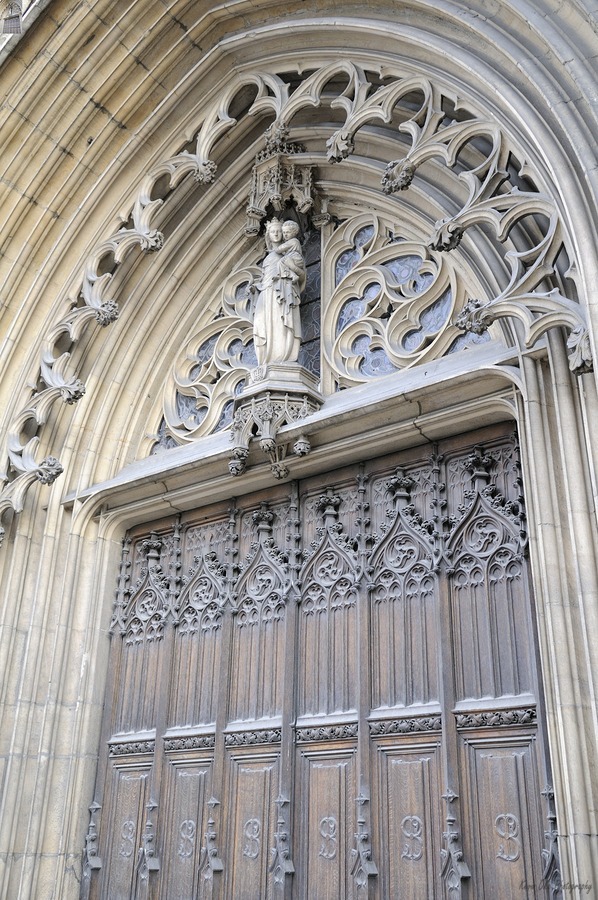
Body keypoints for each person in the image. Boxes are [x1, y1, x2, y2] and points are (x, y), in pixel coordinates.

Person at [252, 219, 306, 365]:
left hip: (281, 292)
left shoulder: (289, 254)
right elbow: (265, 278)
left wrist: (291, 267)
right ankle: (265, 359)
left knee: (280, 322)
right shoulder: (269, 257)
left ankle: (282, 357)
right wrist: (254, 287)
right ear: (268, 235)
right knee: (260, 323)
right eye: (272, 231)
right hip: (265, 292)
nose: (276, 234)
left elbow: (301, 275)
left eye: (279, 231)